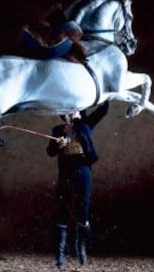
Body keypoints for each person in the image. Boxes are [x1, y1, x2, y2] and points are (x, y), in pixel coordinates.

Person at [47, 101, 109, 269]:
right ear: (64, 114)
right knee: (63, 207)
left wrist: (99, 96)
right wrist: (58, 144)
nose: (73, 114)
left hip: (82, 168)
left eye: (76, 111)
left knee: (84, 205)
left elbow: (104, 109)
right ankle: (60, 255)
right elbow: (50, 152)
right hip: (66, 170)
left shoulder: (86, 125)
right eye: (69, 112)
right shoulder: (58, 129)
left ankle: (80, 246)